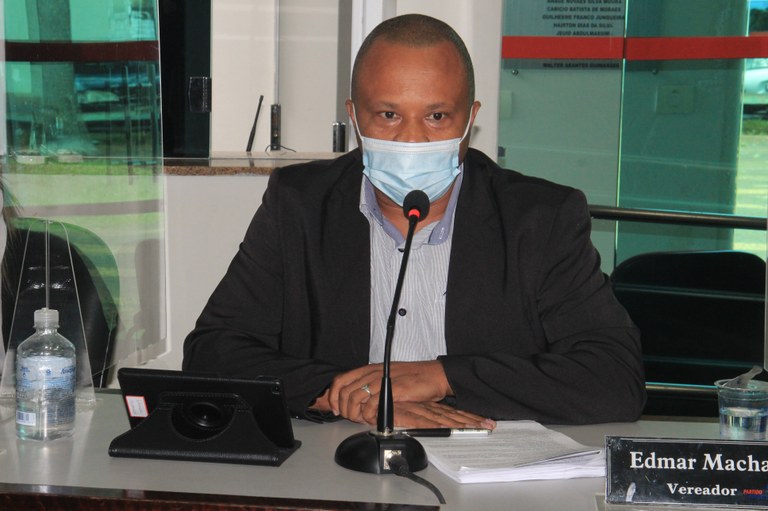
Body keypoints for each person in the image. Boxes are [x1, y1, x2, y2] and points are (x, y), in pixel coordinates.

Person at [183, 13, 646, 428]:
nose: (411, 140)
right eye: (388, 115)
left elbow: (614, 377)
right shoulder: (299, 204)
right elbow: (213, 351)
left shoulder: (541, 218)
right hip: (340, 459)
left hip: (485, 463)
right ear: (354, 116)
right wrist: (347, 395)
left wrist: (442, 377)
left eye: (437, 116)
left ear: (470, 119)